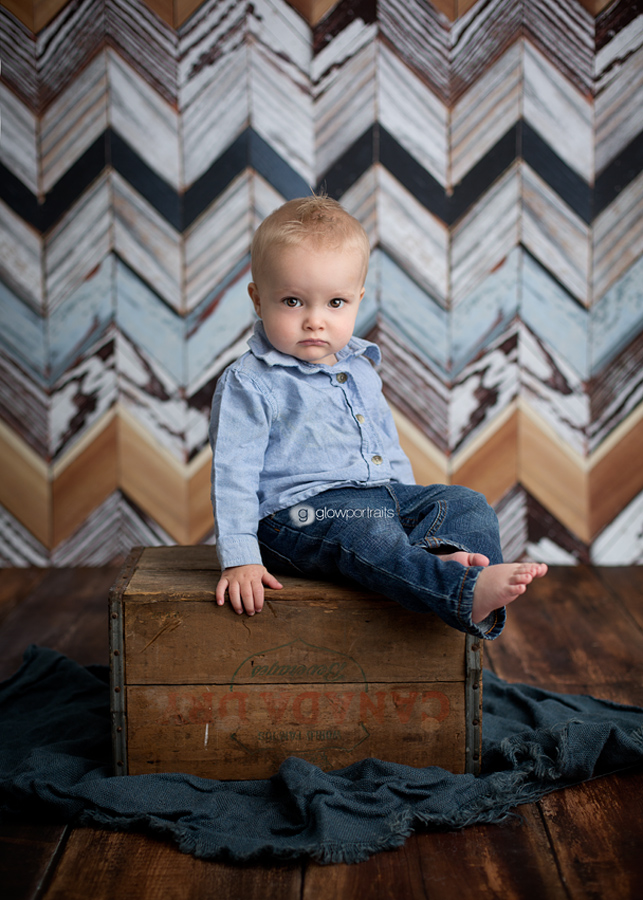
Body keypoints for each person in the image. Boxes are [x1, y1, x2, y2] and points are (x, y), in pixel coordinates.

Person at [209, 195, 546, 638]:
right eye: (292, 301)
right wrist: (241, 556)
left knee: (465, 502)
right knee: (366, 531)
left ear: (358, 300)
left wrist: (413, 515)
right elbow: (232, 473)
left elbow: (386, 448)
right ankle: (462, 593)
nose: (315, 320)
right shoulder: (250, 382)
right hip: (296, 518)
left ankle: (441, 557)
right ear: (258, 299)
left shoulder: (360, 369)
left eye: (335, 303)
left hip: (379, 496)